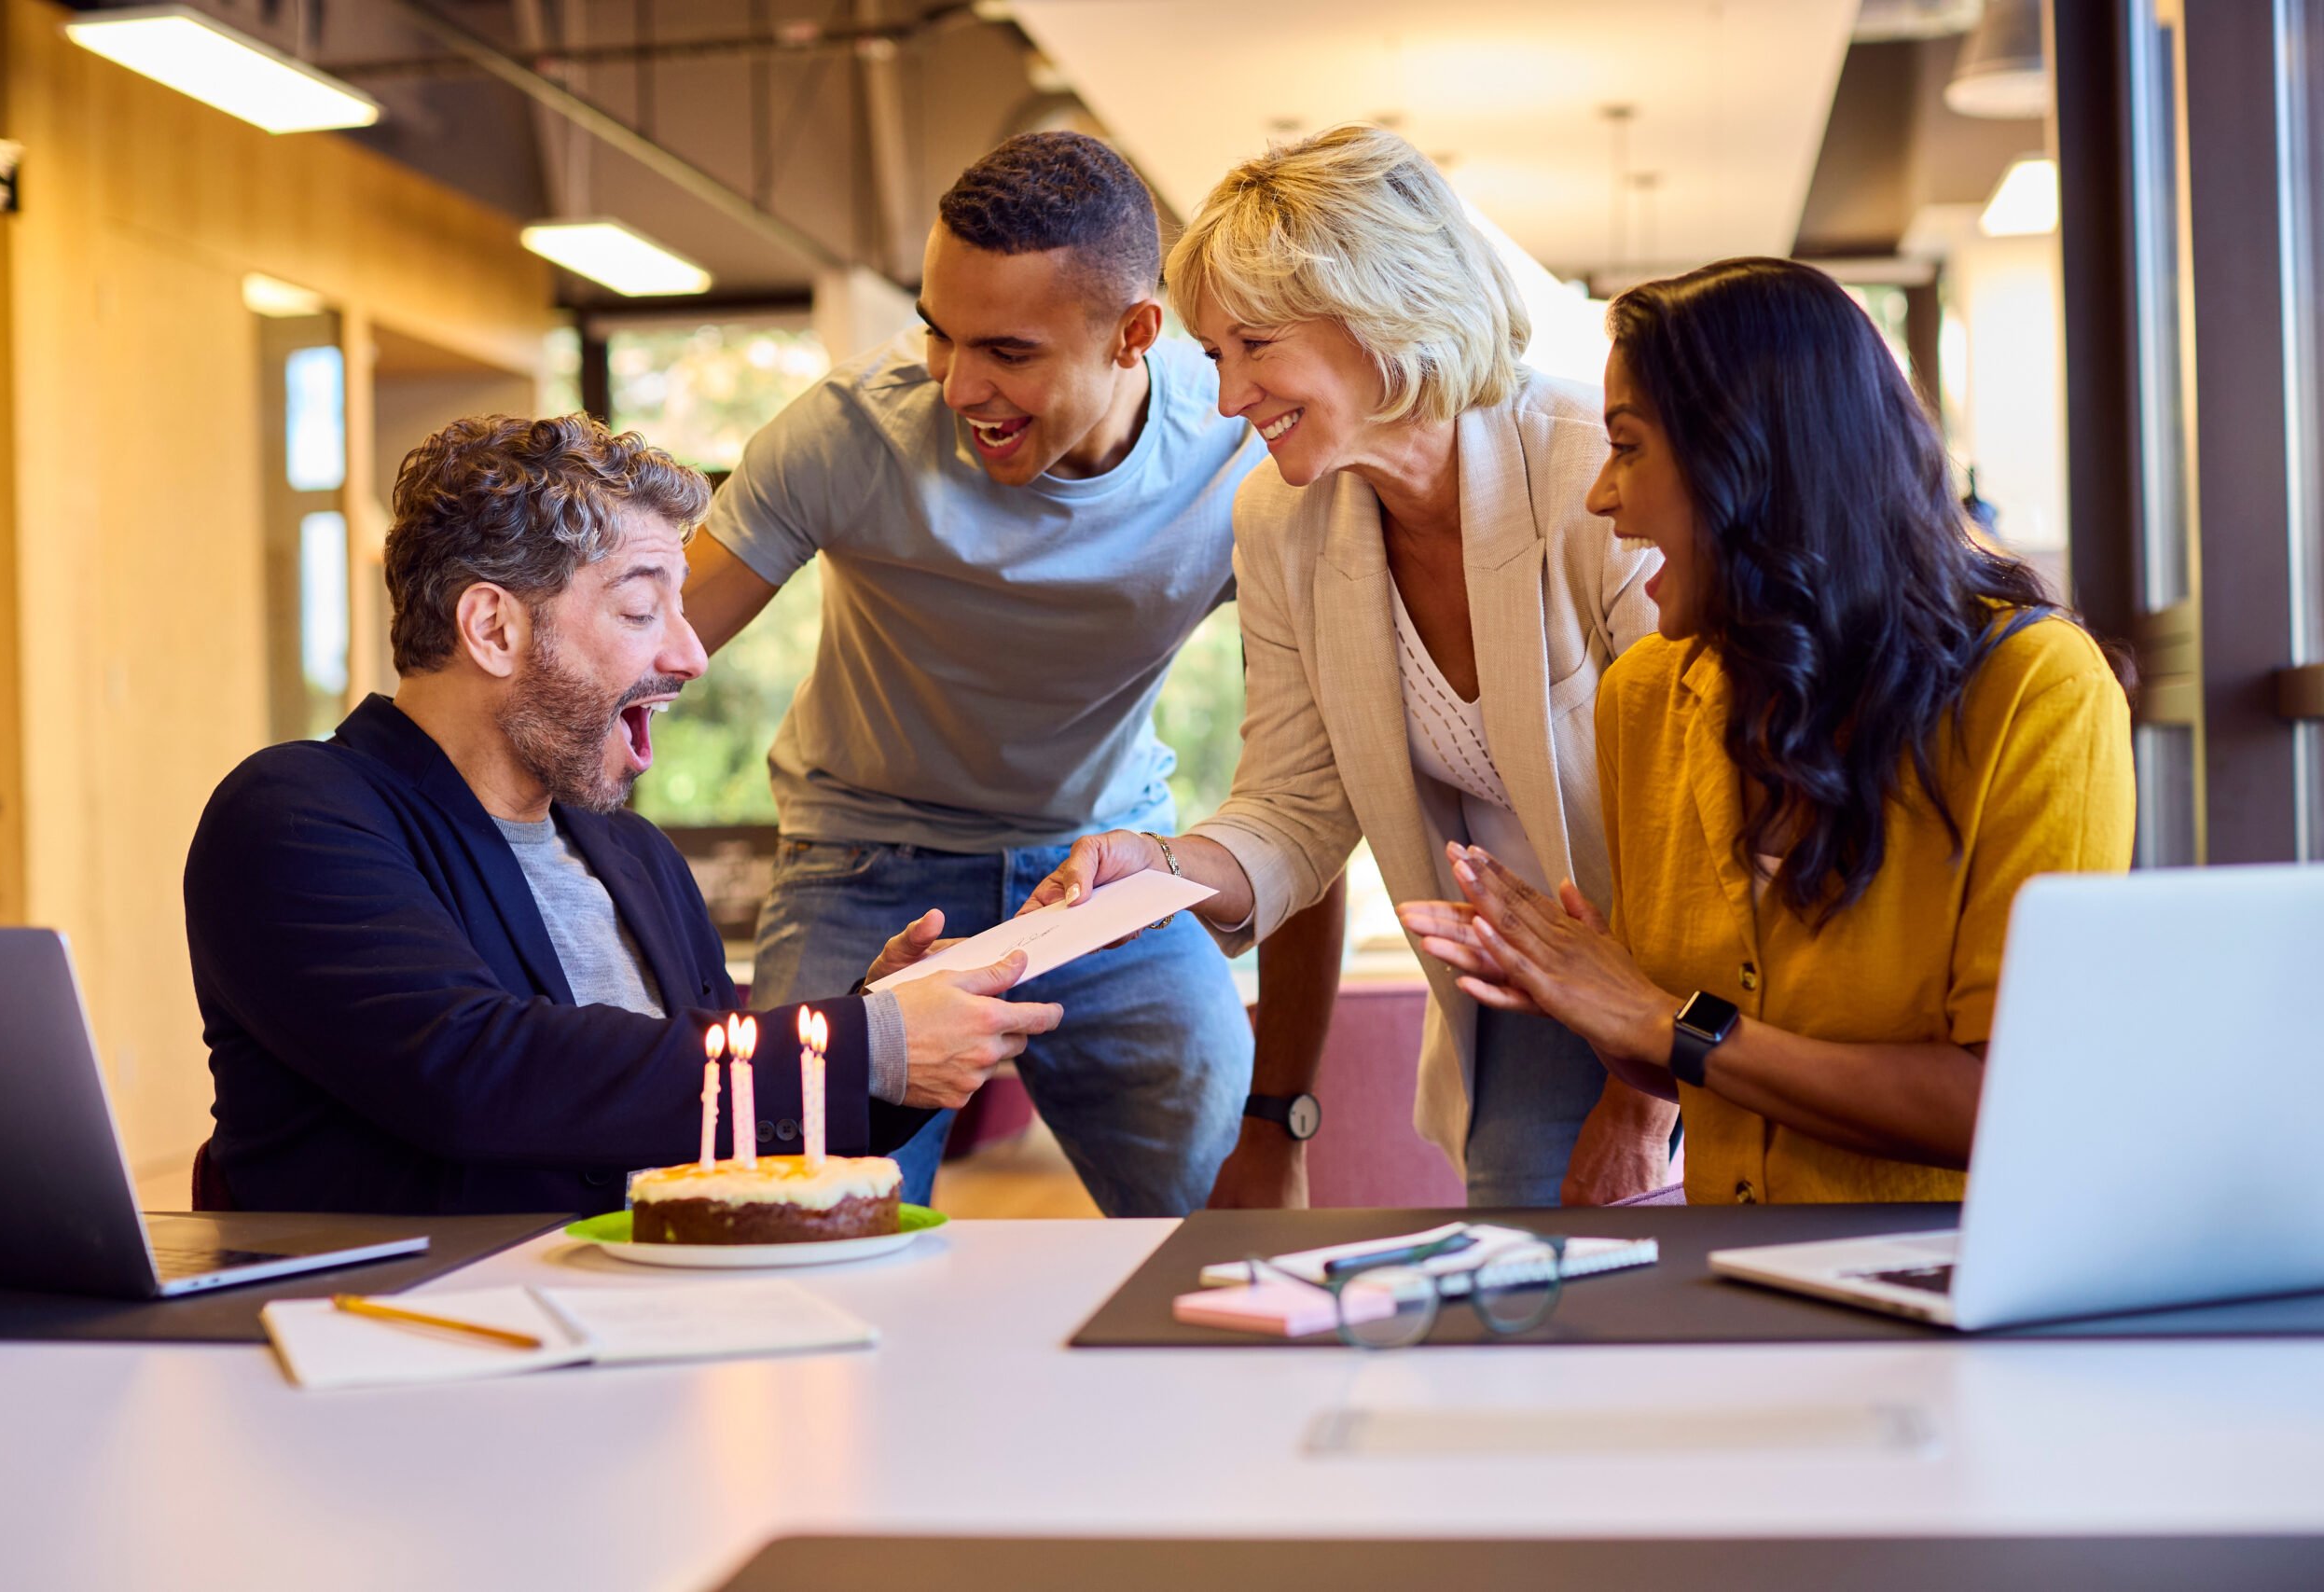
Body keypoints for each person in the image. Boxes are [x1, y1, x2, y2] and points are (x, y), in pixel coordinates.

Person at [679, 131, 1345, 1217]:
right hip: (865, 867)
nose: (956, 383)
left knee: (1221, 1221)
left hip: (1107, 872)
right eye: (939, 334)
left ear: (1135, 335)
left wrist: (1284, 1115)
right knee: (787, 1224)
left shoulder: (1236, 453)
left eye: (1009, 351)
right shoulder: (847, 436)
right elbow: (648, 652)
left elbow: (1317, 784)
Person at [186, 414, 1060, 1217]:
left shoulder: (633, 852)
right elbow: (478, 1073)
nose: (689, 654)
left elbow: (718, 1111)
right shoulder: (296, 816)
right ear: (492, 628)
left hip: (653, 1332)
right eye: (642, 608)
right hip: (409, 1344)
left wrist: (888, 1029)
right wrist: (858, 1042)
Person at [1401, 257, 2135, 1204]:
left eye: (1627, 448)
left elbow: (2008, 1102)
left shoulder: (2036, 689)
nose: (1600, 497)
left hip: (1937, 1289)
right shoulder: (1644, 698)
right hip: (1730, 1279)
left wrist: (1665, 1020)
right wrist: (1595, 1004)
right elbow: (1692, 1070)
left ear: (1750, 458)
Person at [1023, 125, 1664, 1207]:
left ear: (1383, 313)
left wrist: (1649, 1099)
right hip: (1527, 989)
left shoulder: (1590, 468)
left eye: (1255, 346)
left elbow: (1709, 810)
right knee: (1525, 1309)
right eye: (1214, 357)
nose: (1229, 399)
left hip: (1690, 971)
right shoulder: (1281, 517)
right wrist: (1159, 870)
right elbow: (1293, 803)